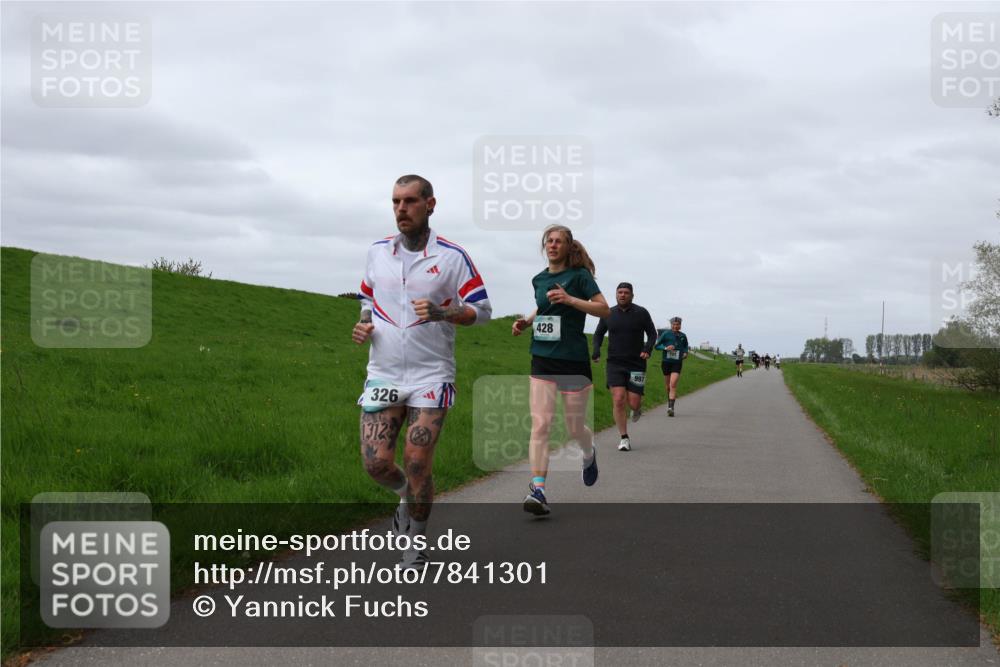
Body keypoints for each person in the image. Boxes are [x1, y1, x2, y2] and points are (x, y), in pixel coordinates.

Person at [353, 174, 492, 568]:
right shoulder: (377, 251)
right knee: (375, 462)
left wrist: (443, 312)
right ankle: (404, 496)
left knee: (417, 461)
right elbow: (367, 294)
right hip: (383, 372)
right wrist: (365, 321)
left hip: (432, 375)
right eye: (396, 201)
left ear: (430, 205)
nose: (401, 209)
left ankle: (414, 546)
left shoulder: (452, 257)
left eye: (410, 201)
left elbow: (482, 312)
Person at [512, 224, 610, 515]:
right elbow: (545, 307)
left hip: (573, 360)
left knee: (574, 427)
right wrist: (527, 322)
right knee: (540, 424)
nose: (553, 245)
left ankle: (589, 452)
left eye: (559, 241)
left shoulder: (579, 277)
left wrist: (570, 299)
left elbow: (604, 309)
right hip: (542, 357)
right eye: (549, 241)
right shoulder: (539, 279)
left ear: (569, 247)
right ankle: (538, 490)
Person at [591, 282, 657, 452]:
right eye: (619, 292)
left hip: (636, 363)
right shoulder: (608, 313)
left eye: (626, 292)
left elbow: (652, 333)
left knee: (634, 403)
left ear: (632, 295)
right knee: (619, 399)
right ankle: (624, 438)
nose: (622, 295)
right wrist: (596, 350)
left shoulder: (641, 313)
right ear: (616, 295)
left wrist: (647, 349)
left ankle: (636, 409)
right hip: (615, 363)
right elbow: (598, 334)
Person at [653, 317, 690, 417]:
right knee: (668, 386)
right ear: (671, 325)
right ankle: (669, 402)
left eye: (678, 324)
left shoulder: (683, 336)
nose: (676, 326)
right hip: (666, 362)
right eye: (674, 324)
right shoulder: (666, 334)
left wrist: (686, 353)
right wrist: (665, 348)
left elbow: (686, 346)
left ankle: (671, 408)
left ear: (680, 325)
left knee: (673, 384)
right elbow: (656, 346)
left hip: (677, 362)